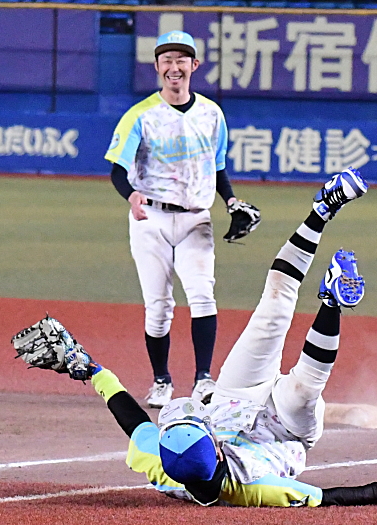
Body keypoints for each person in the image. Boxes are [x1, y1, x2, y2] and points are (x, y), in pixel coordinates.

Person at [11, 168, 377, 507]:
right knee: (304, 388)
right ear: (217, 451)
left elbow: (132, 421)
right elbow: (326, 497)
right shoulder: (256, 487)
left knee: (273, 307)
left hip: (235, 397)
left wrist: (92, 371)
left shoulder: (164, 463)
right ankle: (331, 304)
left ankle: (322, 210)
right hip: (287, 430)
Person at [104, 30, 260, 408]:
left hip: (196, 219)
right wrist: (132, 195)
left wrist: (231, 201)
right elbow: (118, 171)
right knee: (158, 307)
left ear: (194, 65)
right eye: (167, 60)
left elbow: (217, 167)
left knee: (203, 296)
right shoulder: (140, 115)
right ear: (157, 67)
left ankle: (204, 379)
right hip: (151, 219)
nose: (174, 67)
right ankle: (161, 380)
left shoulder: (212, 114)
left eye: (181, 60)